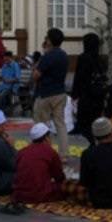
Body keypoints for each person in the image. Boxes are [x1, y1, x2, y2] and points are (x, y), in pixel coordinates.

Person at [32, 28, 69, 161]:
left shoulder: (48, 56)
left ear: (50, 40)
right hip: (60, 93)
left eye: (47, 38)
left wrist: (37, 65)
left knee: (41, 124)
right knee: (60, 124)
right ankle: (63, 155)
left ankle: (45, 153)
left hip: (46, 94)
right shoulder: (64, 55)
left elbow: (36, 75)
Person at [11, 122, 66, 204]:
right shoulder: (50, 152)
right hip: (39, 195)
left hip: (19, 195)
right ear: (47, 138)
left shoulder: (22, 151)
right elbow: (59, 176)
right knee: (67, 187)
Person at [70, 32, 106, 144]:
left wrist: (74, 94)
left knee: (84, 122)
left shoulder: (83, 57)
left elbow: (79, 77)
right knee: (95, 121)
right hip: (98, 95)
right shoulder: (100, 59)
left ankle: (91, 143)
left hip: (87, 95)